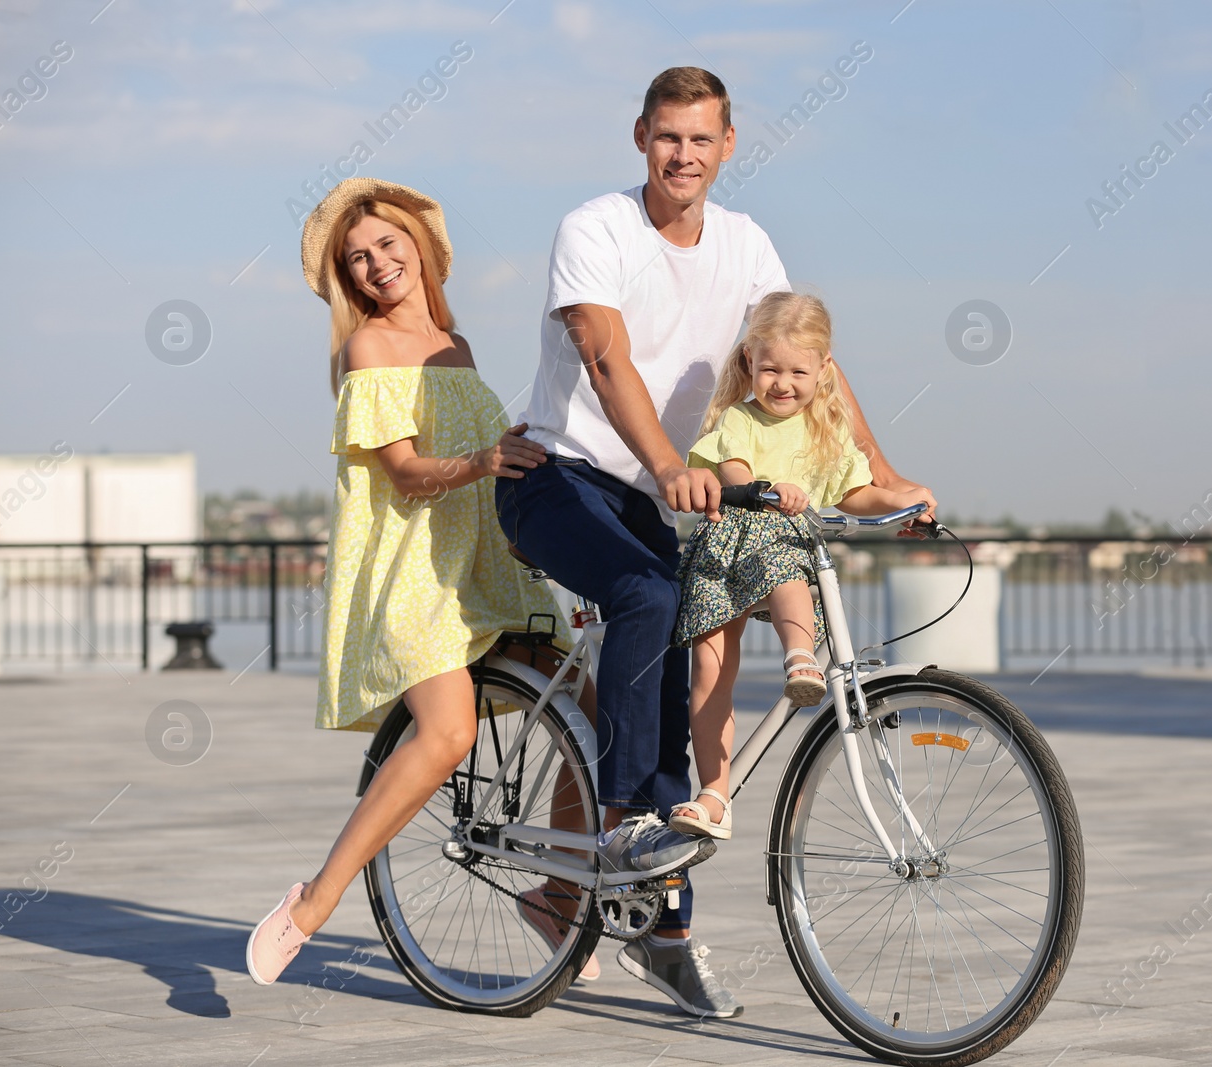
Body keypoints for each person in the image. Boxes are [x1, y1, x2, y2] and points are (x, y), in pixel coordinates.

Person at [495, 66, 935, 1018]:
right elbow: (604, 357)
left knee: (690, 642)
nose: (682, 155)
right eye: (666, 137)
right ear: (640, 137)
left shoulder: (746, 244)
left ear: (728, 145)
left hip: (667, 493)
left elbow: (810, 359)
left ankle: (651, 921)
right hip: (561, 479)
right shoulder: (595, 229)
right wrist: (665, 467)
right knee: (650, 596)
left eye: (701, 139)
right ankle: (621, 838)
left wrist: (882, 475)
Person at [246, 177, 578, 985]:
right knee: (449, 732)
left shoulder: (456, 351)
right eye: (357, 259)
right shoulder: (366, 351)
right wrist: (484, 458)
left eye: (387, 245)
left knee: (590, 711)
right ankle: (316, 899)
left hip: (483, 558)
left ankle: (562, 895)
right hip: (413, 572)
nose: (376, 264)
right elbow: (405, 473)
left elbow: (494, 450)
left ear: (421, 247)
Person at [667, 293, 935, 841]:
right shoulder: (739, 418)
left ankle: (800, 661)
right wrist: (763, 488)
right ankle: (714, 793)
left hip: (784, 547)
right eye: (769, 369)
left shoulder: (826, 431)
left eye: (796, 371)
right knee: (712, 672)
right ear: (749, 363)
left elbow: (854, 492)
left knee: (791, 571)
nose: (782, 383)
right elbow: (733, 465)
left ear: (823, 369)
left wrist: (902, 501)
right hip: (725, 545)